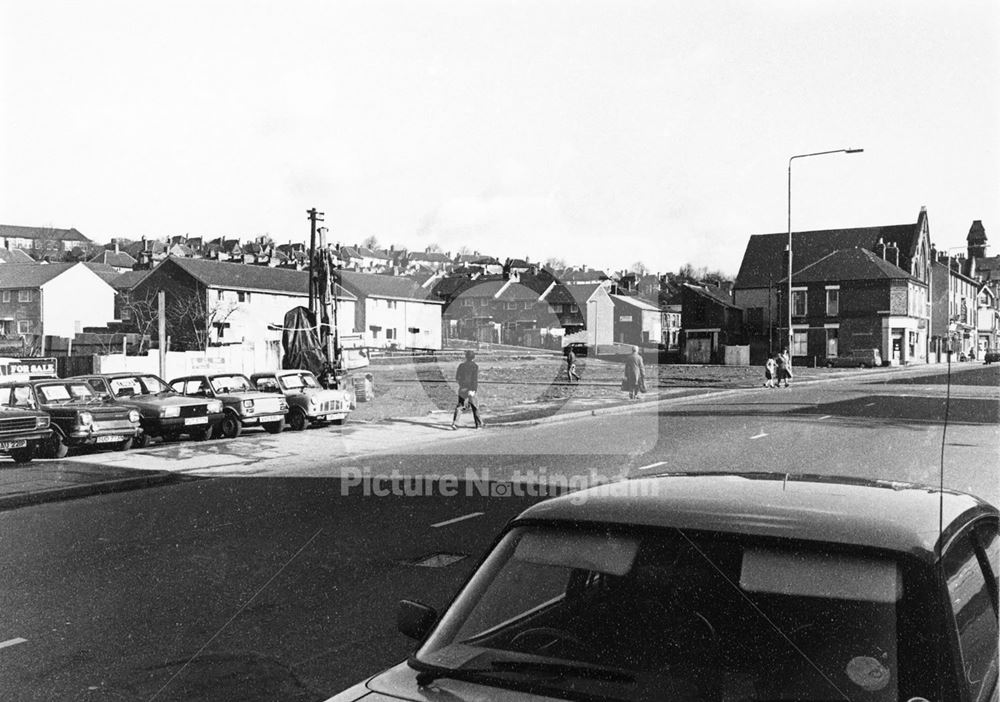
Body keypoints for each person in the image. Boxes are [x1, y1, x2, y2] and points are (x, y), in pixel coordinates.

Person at [452, 350, 483, 429]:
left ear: (466, 357)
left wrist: (461, 385)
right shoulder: (475, 366)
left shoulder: (461, 365)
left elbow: (457, 378)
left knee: (460, 406)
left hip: (462, 388)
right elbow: (474, 379)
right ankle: (479, 424)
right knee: (475, 406)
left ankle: (455, 423)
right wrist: (474, 390)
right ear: (473, 357)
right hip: (471, 389)